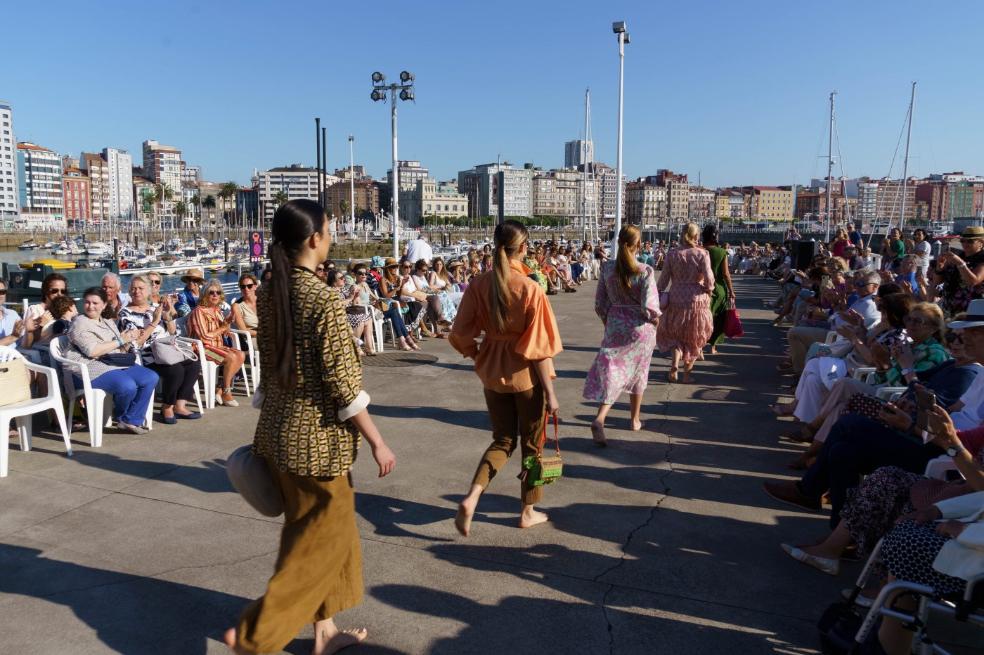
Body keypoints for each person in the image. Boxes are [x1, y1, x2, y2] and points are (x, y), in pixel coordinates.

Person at [223, 199, 395, 655]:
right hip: (316, 445)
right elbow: (343, 383)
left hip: (278, 433)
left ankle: (324, 631)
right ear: (315, 238)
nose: (334, 236)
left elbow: (269, 365)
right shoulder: (320, 298)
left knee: (309, 533)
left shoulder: (274, 289)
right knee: (323, 542)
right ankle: (256, 633)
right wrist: (377, 440)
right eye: (331, 228)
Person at [450, 219, 562, 536]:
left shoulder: (479, 284)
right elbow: (539, 349)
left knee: (502, 440)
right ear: (524, 248)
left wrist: (477, 354)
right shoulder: (530, 288)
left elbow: (459, 332)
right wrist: (551, 394)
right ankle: (527, 511)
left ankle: (472, 496)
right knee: (532, 447)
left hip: (492, 371)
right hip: (525, 376)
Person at [583, 226, 660, 446]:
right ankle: (634, 420)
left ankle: (601, 417)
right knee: (638, 373)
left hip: (615, 322)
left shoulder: (607, 268)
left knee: (615, 371)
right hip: (639, 328)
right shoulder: (644, 270)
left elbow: (600, 304)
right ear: (638, 244)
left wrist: (610, 321)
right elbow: (650, 307)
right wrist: (657, 322)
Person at [65, 287, 159, 435]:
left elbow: (119, 349)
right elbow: (92, 351)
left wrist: (129, 339)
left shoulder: (107, 322)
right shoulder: (80, 323)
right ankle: (121, 416)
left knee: (150, 377)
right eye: (87, 302)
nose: (90, 306)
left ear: (103, 305)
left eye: (95, 303)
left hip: (112, 362)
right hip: (87, 369)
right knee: (127, 386)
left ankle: (130, 419)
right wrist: (122, 339)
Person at [118, 275, 202, 424]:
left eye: (141, 288)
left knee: (194, 364)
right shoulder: (125, 314)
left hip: (166, 351)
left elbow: (172, 333)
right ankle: (167, 406)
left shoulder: (154, 308)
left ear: (149, 291)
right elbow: (136, 342)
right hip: (145, 355)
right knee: (176, 370)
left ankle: (180, 405)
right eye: (133, 288)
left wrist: (168, 317)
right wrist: (155, 321)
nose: (136, 291)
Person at [656, 222, 715, 384]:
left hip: (676, 297)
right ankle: (687, 376)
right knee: (694, 338)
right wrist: (709, 289)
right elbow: (709, 279)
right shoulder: (702, 254)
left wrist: (658, 294)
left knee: (677, 336)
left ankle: (674, 366)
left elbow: (663, 280)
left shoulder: (672, 254)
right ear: (696, 236)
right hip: (696, 299)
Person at [188, 279, 246, 407]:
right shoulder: (199, 311)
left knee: (241, 355)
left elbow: (224, 331)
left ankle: (220, 389)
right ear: (204, 295)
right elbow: (204, 337)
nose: (215, 295)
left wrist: (227, 323)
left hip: (217, 346)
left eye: (218, 292)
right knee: (231, 358)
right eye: (211, 292)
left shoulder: (216, 310)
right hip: (202, 349)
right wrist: (222, 328)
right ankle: (226, 391)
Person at [703, 224, 736, 355]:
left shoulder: (700, 250)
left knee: (703, 317)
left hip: (703, 288)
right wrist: (731, 291)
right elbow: (726, 274)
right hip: (719, 289)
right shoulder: (721, 252)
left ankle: (699, 345)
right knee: (718, 318)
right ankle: (713, 347)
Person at [938, 226, 984, 315]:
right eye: (962, 240)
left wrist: (960, 264)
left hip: (971, 310)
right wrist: (939, 268)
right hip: (949, 307)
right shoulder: (958, 256)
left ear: (981, 242)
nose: (965, 243)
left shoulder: (981, 259)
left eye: (970, 241)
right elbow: (937, 281)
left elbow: (973, 281)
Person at [231, 273, 259, 338]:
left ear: (255, 286)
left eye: (249, 286)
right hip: (253, 338)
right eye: (243, 287)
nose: (246, 289)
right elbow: (243, 330)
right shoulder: (236, 306)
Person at [0, 279, 26, 347]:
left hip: (17, 355)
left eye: (2, 292)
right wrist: (13, 336)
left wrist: (31, 330)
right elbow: (15, 336)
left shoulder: (12, 314)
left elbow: (25, 342)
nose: (0, 295)